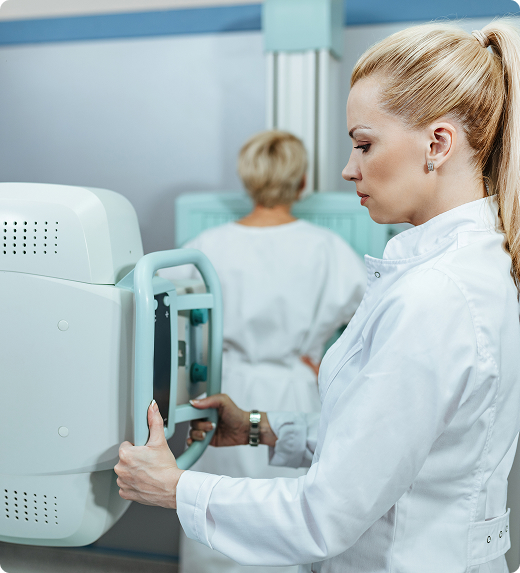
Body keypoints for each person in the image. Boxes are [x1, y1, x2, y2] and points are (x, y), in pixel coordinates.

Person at [115, 19, 520, 573]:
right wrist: (258, 427)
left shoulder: (436, 296)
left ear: (438, 143)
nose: (350, 170)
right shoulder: (462, 267)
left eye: (364, 144)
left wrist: (172, 487)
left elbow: (322, 516)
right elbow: (383, 444)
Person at [158, 130, 366, 573]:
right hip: (294, 388)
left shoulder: (208, 246)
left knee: (214, 507)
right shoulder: (327, 249)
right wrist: (318, 358)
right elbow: (370, 317)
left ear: (247, 177)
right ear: (302, 181)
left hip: (221, 389)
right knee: (287, 516)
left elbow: (171, 315)